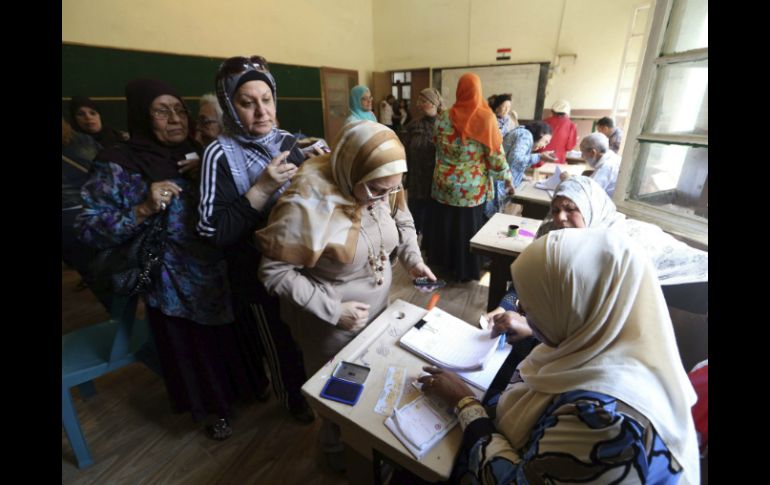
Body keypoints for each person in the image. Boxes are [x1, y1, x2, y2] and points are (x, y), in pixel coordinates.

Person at [420, 228, 700, 484]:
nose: (521, 310)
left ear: (577, 305)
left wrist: (465, 403)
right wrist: (534, 330)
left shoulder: (604, 420)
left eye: (537, 302)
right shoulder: (595, 345)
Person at [256, 120, 436, 470]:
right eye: (376, 190)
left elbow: (403, 221)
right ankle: (336, 453)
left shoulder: (385, 181)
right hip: (329, 325)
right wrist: (333, 309)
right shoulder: (306, 202)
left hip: (378, 311)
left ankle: (362, 451)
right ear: (350, 170)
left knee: (370, 386)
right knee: (338, 399)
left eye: (391, 189)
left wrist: (413, 260)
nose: (383, 198)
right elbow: (273, 272)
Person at [77, 78, 246, 441]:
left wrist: (209, 173)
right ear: (142, 116)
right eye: (161, 111)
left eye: (180, 110)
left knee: (225, 340)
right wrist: (143, 208)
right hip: (172, 280)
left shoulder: (199, 152)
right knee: (194, 349)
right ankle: (212, 410)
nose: (175, 119)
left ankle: (238, 394)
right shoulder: (118, 164)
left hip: (218, 271)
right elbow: (88, 229)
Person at [197, 55, 317, 424]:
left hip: (302, 264)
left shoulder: (286, 141)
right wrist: (262, 188)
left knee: (308, 332)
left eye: (267, 100)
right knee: (279, 341)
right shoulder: (218, 154)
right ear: (229, 106)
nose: (262, 112)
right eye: (247, 103)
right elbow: (212, 230)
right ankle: (293, 400)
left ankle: (317, 388)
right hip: (256, 274)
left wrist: (320, 166)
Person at [423, 73, 513, 282]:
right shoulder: (485, 118)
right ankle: (464, 270)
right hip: (470, 188)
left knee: (445, 224)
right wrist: (507, 177)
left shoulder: (443, 117)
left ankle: (442, 264)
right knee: (466, 228)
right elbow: (495, 154)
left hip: (442, 184)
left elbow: (436, 142)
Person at [62, 118, 112, 308]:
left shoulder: (82, 140)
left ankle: (118, 313)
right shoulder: (82, 139)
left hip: (69, 220)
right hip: (101, 209)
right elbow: (108, 169)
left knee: (92, 273)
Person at [485, 121, 556, 216]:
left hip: (499, 179)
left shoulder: (523, 132)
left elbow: (510, 162)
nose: (544, 146)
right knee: (490, 217)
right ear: (541, 134)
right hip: (498, 182)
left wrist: (522, 177)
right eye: (545, 141)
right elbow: (516, 159)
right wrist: (539, 156)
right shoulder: (526, 135)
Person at [403, 88, 445, 234]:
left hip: (435, 182)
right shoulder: (413, 125)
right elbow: (405, 151)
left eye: (422, 101)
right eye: (418, 100)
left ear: (433, 103)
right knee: (415, 219)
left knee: (433, 222)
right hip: (416, 181)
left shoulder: (445, 124)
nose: (418, 104)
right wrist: (405, 176)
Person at [578, 132, 621, 196]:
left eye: (583, 153)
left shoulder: (606, 167)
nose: (582, 157)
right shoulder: (612, 157)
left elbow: (587, 193)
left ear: (593, 153)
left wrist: (568, 180)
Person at [541, 99, 577, 164]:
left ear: (552, 111)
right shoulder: (571, 125)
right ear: (567, 112)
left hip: (541, 158)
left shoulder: (543, 122)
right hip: (557, 159)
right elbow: (569, 147)